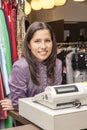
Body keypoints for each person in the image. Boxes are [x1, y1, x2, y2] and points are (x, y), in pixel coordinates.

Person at [0, 21, 62, 111]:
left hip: (52, 117)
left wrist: (21, 104)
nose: (43, 46)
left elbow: (57, 98)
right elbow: (18, 103)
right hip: (29, 120)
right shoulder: (20, 67)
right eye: (37, 41)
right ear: (29, 44)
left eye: (47, 41)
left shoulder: (58, 64)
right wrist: (18, 104)